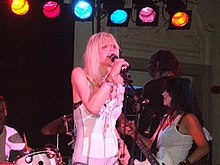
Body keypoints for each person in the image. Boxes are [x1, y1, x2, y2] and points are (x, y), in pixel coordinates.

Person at [71, 32, 130, 165]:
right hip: (86, 157)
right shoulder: (80, 74)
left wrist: (120, 142)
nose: (111, 49)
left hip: (112, 156)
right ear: (94, 53)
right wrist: (111, 77)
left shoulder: (117, 82)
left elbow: (108, 121)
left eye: (113, 46)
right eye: (104, 47)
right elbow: (93, 108)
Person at [124, 77, 210, 165]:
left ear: (177, 94)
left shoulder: (188, 118)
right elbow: (151, 145)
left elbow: (204, 147)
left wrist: (185, 163)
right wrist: (134, 133)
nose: (163, 94)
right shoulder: (166, 118)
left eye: (167, 91)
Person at [139, 50, 182, 138]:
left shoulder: (152, 86)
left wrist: (138, 132)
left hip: (160, 134)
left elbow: (145, 117)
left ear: (156, 66)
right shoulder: (183, 85)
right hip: (182, 132)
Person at [0, 96, 30, 162]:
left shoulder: (10, 133)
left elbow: (27, 152)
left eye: (1, 111)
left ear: (5, 112)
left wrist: (44, 155)